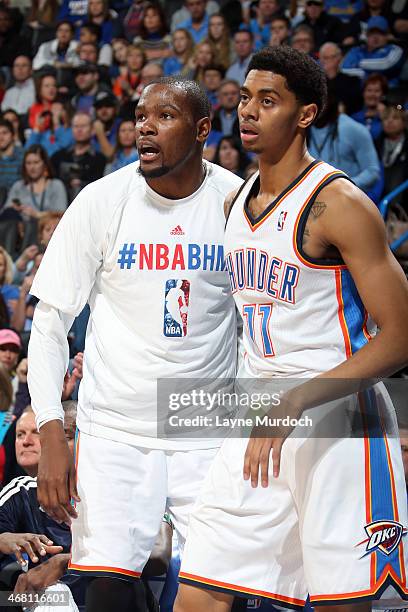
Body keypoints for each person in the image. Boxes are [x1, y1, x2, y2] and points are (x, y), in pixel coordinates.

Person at [175, 46, 408, 612]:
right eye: (246, 98)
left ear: (305, 114)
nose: (248, 111)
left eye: (269, 100)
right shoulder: (235, 204)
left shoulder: (338, 203)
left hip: (339, 418)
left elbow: (401, 335)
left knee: (341, 603)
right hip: (261, 415)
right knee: (198, 589)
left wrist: (298, 398)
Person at [27, 77, 242, 612]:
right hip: (115, 428)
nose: (145, 126)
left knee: (217, 589)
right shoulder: (101, 201)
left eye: (164, 116)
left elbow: (264, 324)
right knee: (105, 588)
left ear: (202, 130)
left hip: (206, 426)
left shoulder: (238, 204)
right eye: (141, 116)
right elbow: (51, 323)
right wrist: (53, 427)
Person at [4, 145, 67, 251]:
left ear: (45, 164)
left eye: (36, 162)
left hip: (46, 232)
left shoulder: (56, 185)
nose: (32, 167)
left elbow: (61, 213)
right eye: (28, 163)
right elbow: (5, 212)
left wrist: (37, 215)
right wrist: (15, 211)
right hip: (20, 234)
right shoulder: (18, 186)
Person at [51, 112, 106, 201]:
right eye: (76, 126)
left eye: (83, 126)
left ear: (92, 130)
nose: (79, 130)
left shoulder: (99, 160)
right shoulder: (58, 157)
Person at [341, 16, 404, 87]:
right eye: (372, 33)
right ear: (366, 35)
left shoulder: (395, 49)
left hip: (389, 93)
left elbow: (386, 64)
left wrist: (358, 64)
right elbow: (344, 69)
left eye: (380, 33)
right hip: (360, 92)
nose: (375, 37)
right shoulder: (357, 50)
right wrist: (364, 75)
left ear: (387, 35)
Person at [319, 42, 363, 115]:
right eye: (325, 57)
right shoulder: (316, 83)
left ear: (340, 58)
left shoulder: (352, 81)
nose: (329, 60)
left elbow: (355, 105)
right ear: (320, 60)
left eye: (333, 57)